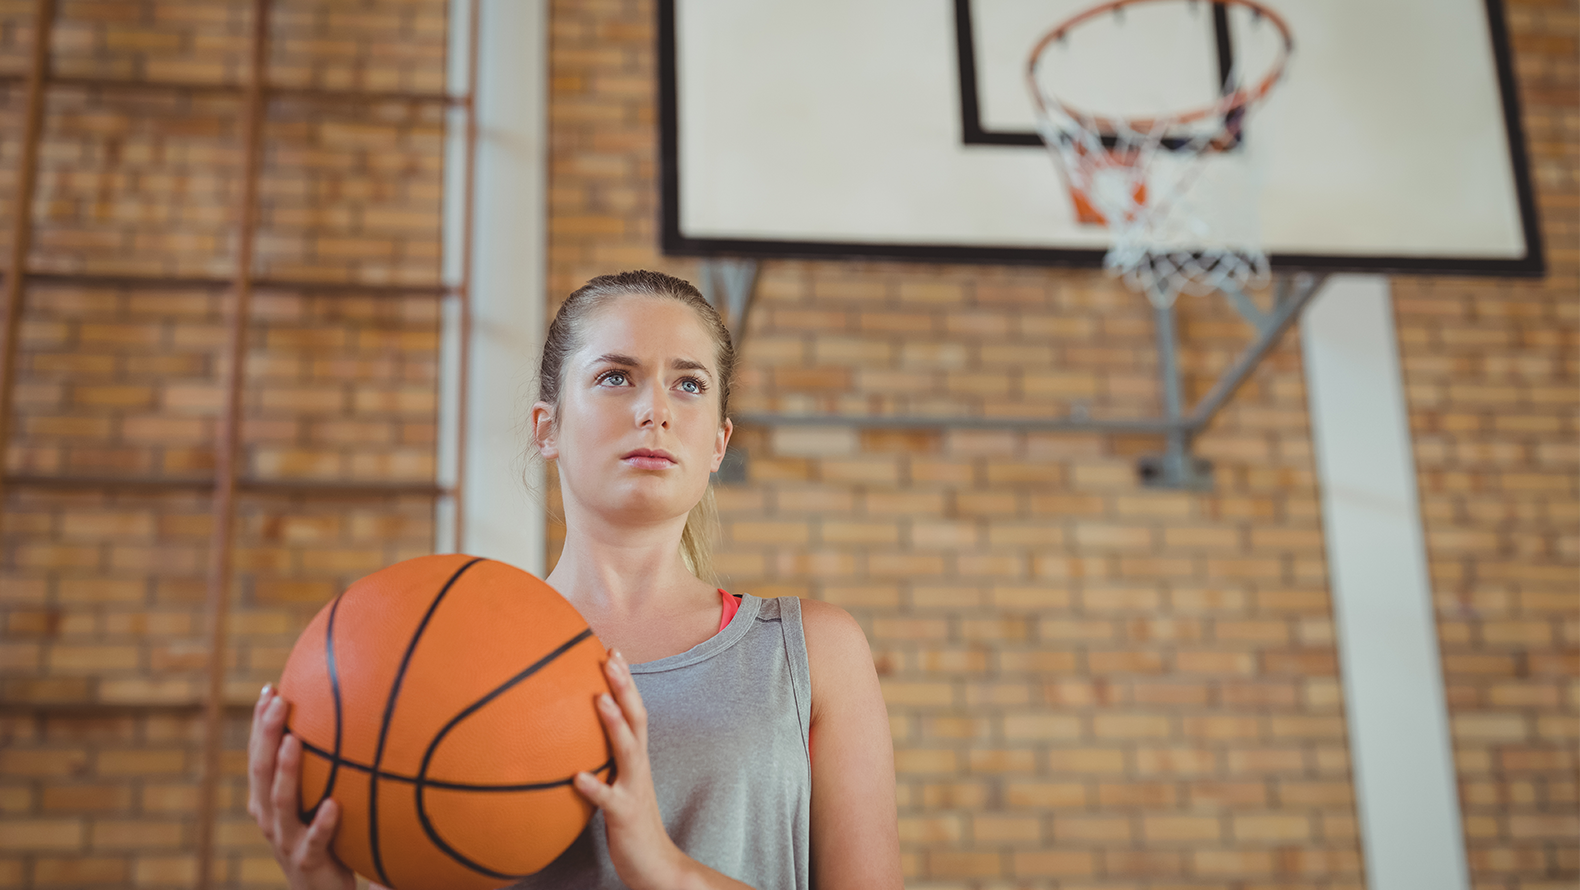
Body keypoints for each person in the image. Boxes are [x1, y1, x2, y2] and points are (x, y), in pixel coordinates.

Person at [246, 270, 903, 890]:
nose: (655, 410)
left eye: (690, 384)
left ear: (719, 445)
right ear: (548, 426)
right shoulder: (456, 649)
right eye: (617, 377)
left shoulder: (814, 651)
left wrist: (664, 869)